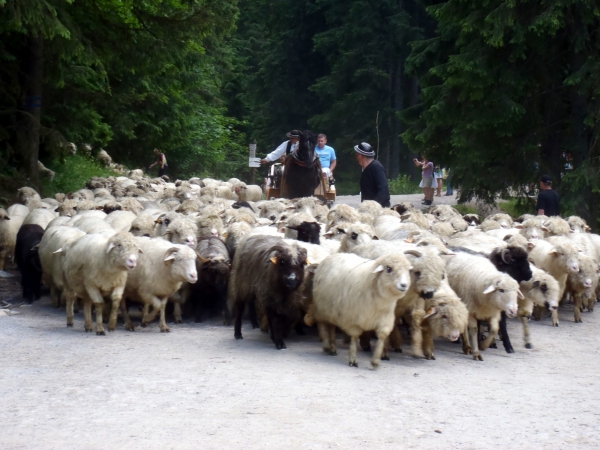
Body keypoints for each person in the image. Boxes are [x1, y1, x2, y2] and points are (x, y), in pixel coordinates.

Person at [355, 142, 390, 207]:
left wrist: (373, 206)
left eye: (357, 154)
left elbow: (384, 190)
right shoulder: (365, 169)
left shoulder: (376, 167)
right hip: (369, 210)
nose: (356, 157)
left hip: (380, 210)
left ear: (361, 156)